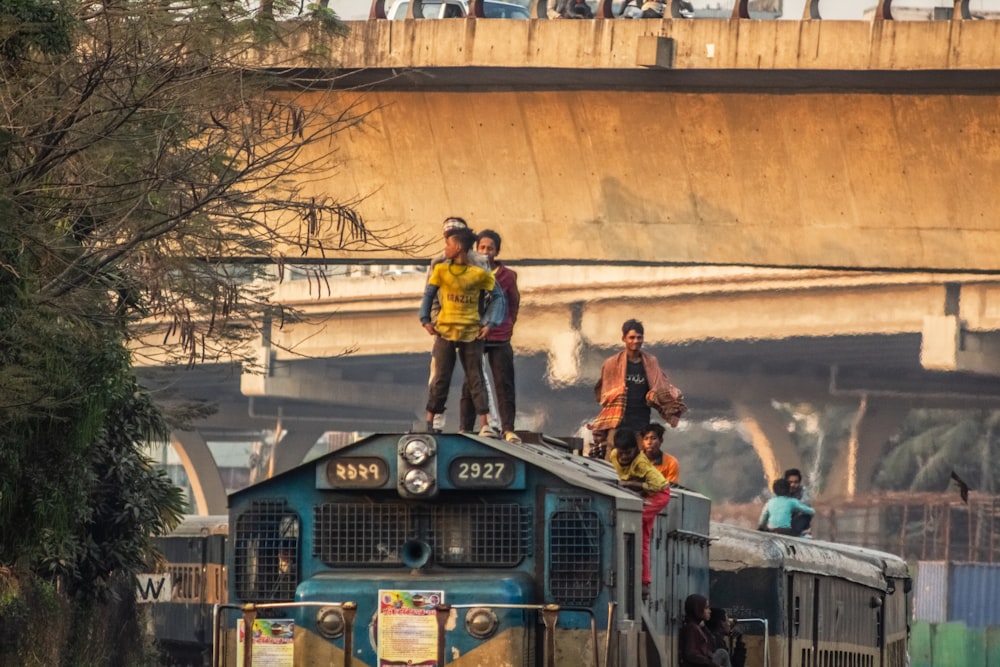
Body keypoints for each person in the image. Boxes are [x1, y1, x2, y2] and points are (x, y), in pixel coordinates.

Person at [420, 227, 503, 437]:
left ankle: (485, 423)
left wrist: (489, 323)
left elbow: (498, 296)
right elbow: (428, 295)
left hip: (471, 333)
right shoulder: (440, 270)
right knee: (440, 378)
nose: (445, 249)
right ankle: (430, 422)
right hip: (445, 331)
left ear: (457, 247)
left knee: (476, 378)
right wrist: (425, 319)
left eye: (448, 244)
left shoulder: (477, 274)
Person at [587, 319, 685, 459]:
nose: (636, 341)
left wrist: (668, 396)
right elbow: (603, 395)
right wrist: (618, 394)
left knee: (641, 463)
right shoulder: (611, 364)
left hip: (641, 422)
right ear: (624, 339)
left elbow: (660, 386)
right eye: (632, 337)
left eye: (639, 337)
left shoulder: (651, 362)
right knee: (611, 462)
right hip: (618, 423)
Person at [459, 229, 521, 444]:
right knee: (471, 383)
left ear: (497, 251)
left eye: (490, 248)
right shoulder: (467, 272)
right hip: (474, 335)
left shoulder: (507, 276)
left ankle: (507, 429)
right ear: (476, 250)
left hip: (499, 336)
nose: (486, 252)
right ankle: (465, 428)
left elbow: (513, 303)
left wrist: (508, 324)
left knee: (504, 382)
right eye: (482, 248)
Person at [610, 428, 670, 600]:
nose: (624, 457)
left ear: (635, 449)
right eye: (621, 453)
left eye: (628, 453)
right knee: (643, 539)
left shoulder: (641, 462)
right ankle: (645, 581)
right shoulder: (614, 455)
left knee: (628, 522)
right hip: (643, 496)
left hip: (658, 495)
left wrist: (634, 485)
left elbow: (659, 486)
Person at [679, 594, 716, 667]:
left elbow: (712, 645)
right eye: (706, 608)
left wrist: (704, 627)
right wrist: (710, 663)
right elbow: (691, 654)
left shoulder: (697, 627)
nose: (709, 611)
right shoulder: (692, 628)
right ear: (698, 609)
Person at [784, 468, 813, 536]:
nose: (793, 485)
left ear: (799, 483)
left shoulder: (803, 491)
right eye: (790, 482)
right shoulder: (780, 492)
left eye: (796, 482)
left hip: (798, 520)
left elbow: (805, 504)